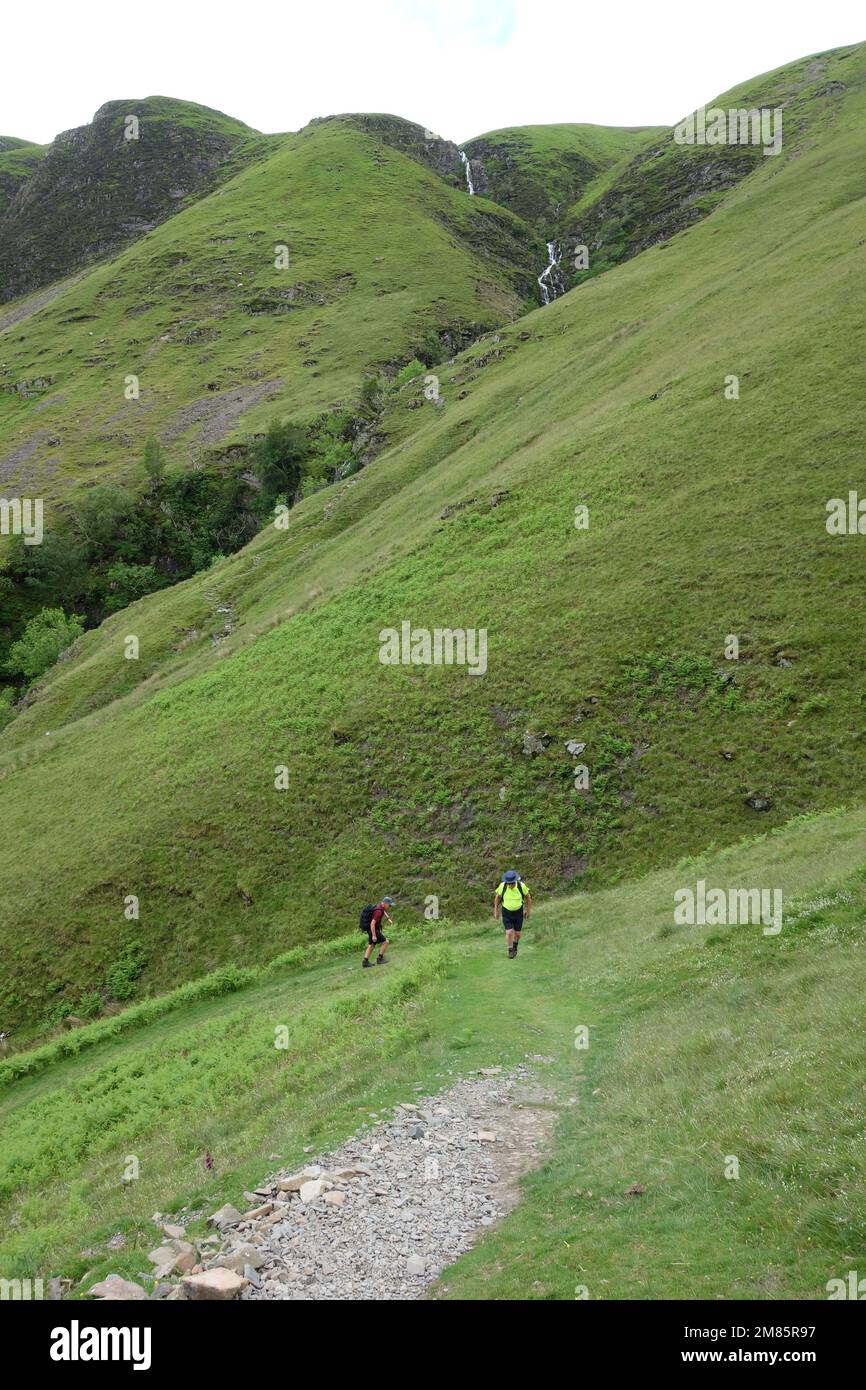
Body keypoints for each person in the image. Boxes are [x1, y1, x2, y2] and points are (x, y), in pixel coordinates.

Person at [493, 871, 531, 958]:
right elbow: (497, 898)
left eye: (511, 883)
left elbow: (528, 898)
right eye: (508, 883)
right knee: (509, 932)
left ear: (515, 881)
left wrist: (528, 911)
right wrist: (496, 910)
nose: (510, 885)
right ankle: (510, 950)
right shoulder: (503, 886)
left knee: (517, 934)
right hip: (506, 912)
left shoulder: (522, 886)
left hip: (518, 913)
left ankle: (515, 946)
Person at [360, 896, 395, 967]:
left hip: (370, 929)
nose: (390, 906)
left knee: (372, 945)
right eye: (390, 905)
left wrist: (388, 918)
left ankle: (365, 962)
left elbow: (383, 911)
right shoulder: (378, 912)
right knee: (386, 942)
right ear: (385, 903)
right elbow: (372, 923)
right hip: (373, 929)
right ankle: (380, 959)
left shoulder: (379, 906)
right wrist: (374, 935)